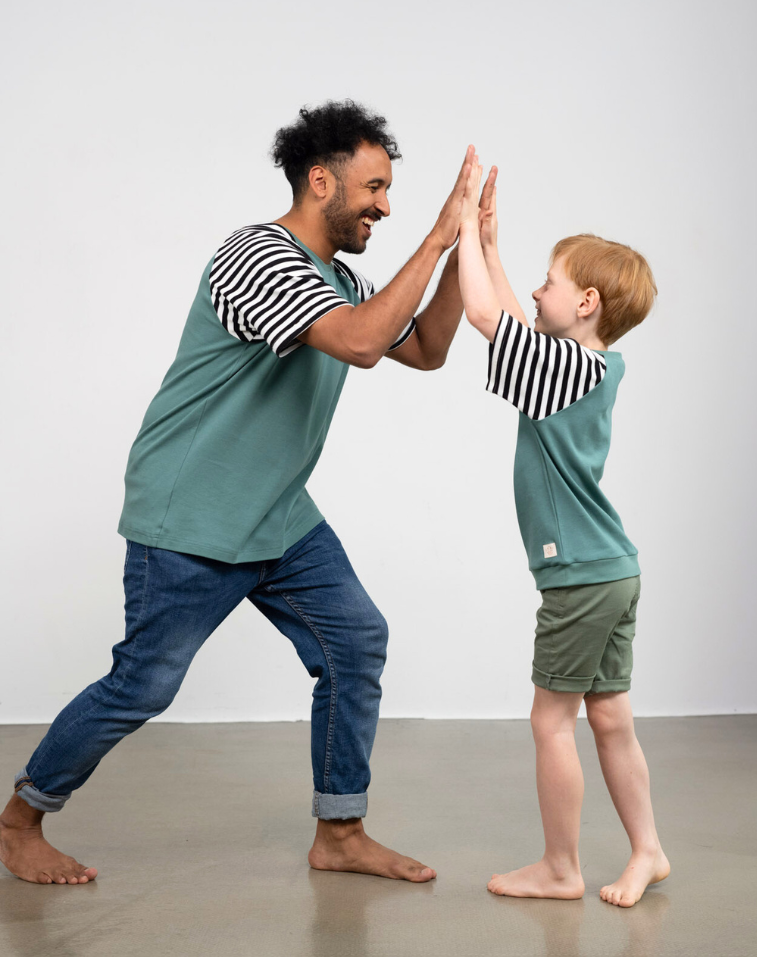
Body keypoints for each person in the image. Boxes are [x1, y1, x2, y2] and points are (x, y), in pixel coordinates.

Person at [0, 101, 474, 886]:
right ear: (320, 182)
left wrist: (465, 252)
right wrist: (437, 236)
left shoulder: (340, 276)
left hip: (278, 515)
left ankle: (341, 831)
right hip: (192, 514)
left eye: (392, 192)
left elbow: (423, 346)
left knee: (354, 641)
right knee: (142, 684)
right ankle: (20, 821)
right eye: (375, 188)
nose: (386, 206)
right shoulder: (257, 256)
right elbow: (358, 343)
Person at [456, 156, 669, 907]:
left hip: (579, 576)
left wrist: (459, 236)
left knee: (553, 722)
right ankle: (648, 850)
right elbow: (519, 322)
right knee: (610, 718)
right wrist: (490, 244)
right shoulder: (591, 364)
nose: (538, 291)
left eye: (550, 280)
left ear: (584, 301)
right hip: (614, 569)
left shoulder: (563, 369)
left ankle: (560, 866)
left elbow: (488, 320)